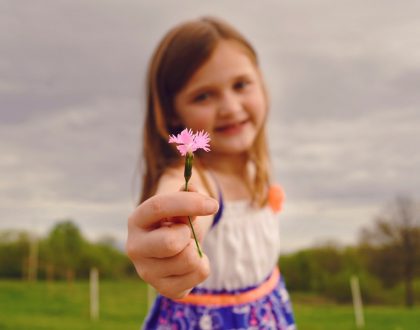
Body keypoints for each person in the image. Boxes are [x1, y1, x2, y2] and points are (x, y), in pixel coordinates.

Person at [126, 16, 296, 329]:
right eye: (203, 95)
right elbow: (183, 200)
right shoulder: (196, 175)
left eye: (241, 85)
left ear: (261, 82)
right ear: (174, 112)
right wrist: (169, 236)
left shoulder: (254, 170)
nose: (230, 106)